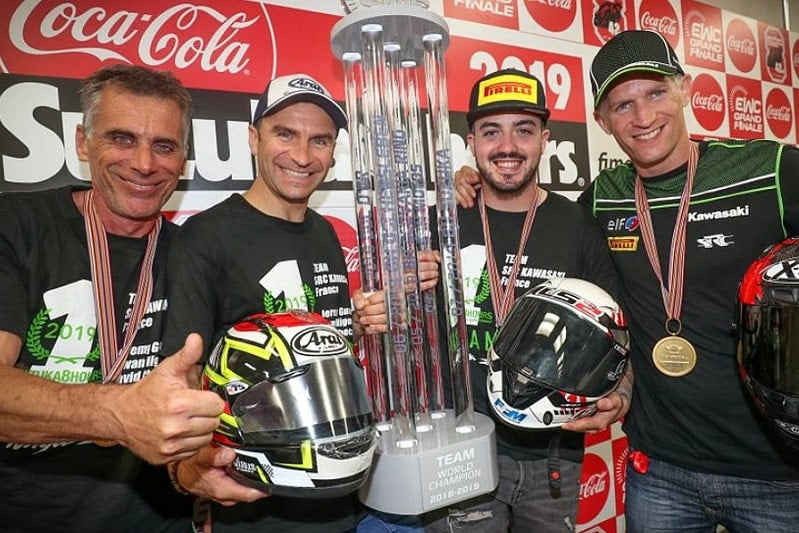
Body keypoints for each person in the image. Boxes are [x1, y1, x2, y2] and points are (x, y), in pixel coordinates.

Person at [457, 30, 799, 532]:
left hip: (776, 472)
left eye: (656, 93)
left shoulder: (768, 169)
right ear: (602, 120)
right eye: (622, 105)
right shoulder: (602, 198)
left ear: (685, 89)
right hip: (660, 468)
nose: (642, 117)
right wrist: (468, 181)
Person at [160, 73, 438, 532]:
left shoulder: (325, 232)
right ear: (254, 138)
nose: (303, 156)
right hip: (257, 507)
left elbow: (312, 352)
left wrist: (356, 325)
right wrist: (192, 472)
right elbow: (184, 377)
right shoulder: (205, 237)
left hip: (342, 494)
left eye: (319, 140)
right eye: (285, 134)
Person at [0, 64, 228, 532]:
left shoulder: (195, 253)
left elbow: (188, 405)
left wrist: (193, 475)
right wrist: (119, 413)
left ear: (183, 157)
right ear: (83, 142)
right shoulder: (17, 226)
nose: (144, 163)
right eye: (122, 139)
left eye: (164, 146)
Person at [422, 69, 627, 533]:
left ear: (545, 140)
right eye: (491, 132)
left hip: (553, 457)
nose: (508, 146)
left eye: (524, 130)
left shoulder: (578, 225)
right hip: (458, 450)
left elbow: (615, 328)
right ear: (471, 142)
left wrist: (621, 393)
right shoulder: (441, 221)